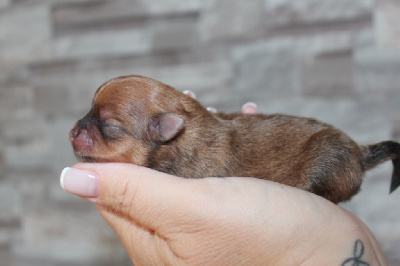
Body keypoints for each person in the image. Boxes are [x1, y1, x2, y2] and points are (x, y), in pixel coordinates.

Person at [60, 101, 387, 265]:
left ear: (164, 131)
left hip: (337, 156)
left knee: (326, 160)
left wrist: (315, 244)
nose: (78, 131)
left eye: (110, 127)